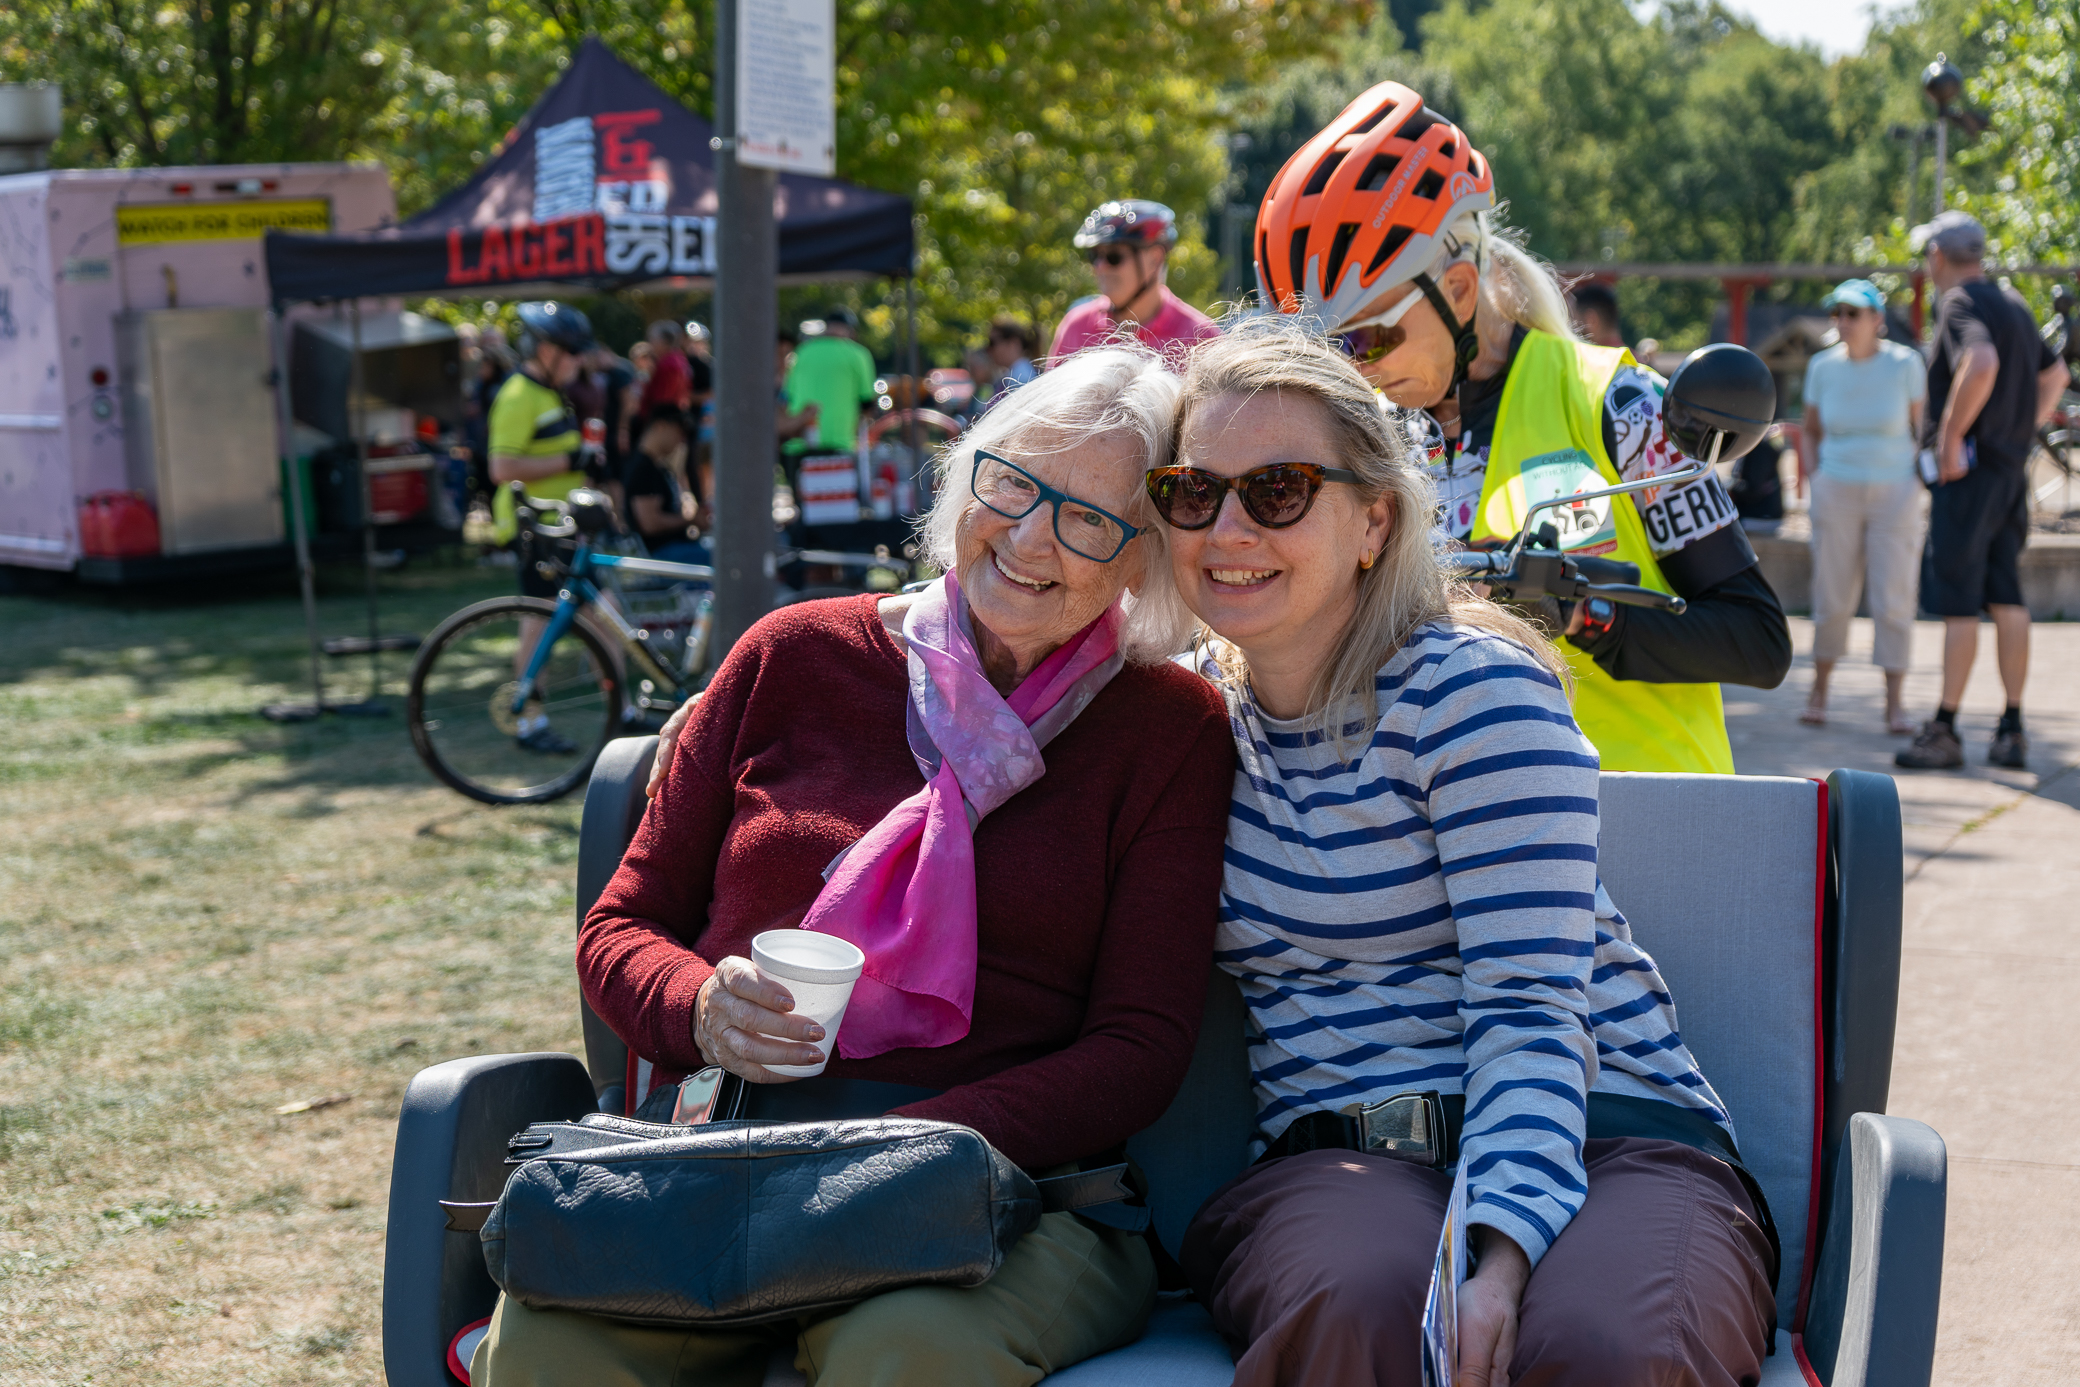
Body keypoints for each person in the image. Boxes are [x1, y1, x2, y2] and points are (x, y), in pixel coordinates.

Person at [470, 344, 1236, 1387]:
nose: (1027, 537)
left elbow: (1138, 1046)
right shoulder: (791, 655)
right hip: (727, 1163)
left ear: (1141, 558)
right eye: (1013, 484)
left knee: (902, 1353)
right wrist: (702, 1007)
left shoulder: (1168, 728)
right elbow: (620, 927)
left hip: (1005, 1189)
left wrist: (895, 1149)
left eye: (1088, 519)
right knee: (548, 1346)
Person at [1147, 321, 1775, 1387]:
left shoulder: (1473, 690)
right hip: (1340, 1157)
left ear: (1374, 520)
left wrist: (1501, 1248)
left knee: (1608, 1350)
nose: (1227, 526)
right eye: (1191, 491)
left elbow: (1530, 1002)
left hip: (1607, 1128)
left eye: (1279, 490)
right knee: (1359, 1312)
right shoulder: (1181, 723)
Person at [1253, 81, 1790, 774]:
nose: (1358, 370)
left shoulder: (1619, 404)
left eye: (1372, 338)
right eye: (1334, 350)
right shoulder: (1376, 439)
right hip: (1453, 811)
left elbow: (1758, 641)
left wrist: (1584, 616)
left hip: (1639, 809)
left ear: (1457, 290)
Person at [1895, 211, 2070, 771]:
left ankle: (1945, 727)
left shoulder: (1958, 303)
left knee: (1960, 604)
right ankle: (2011, 728)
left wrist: (1950, 438)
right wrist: (2020, 429)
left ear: (1937, 256)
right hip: (2008, 473)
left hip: (1968, 479)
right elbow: (2056, 375)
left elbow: (1982, 360)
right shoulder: (2014, 303)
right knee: (2007, 597)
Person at [1799, 279, 1927, 733]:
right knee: (1832, 595)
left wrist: (1916, 481)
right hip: (1837, 487)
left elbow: (1922, 427)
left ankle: (1895, 702)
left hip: (1895, 491)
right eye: (1838, 313)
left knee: (1894, 597)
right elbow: (1809, 430)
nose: (1844, 321)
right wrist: (1816, 478)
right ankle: (1819, 690)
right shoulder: (1822, 367)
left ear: (1878, 319)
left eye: (1853, 313)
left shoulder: (1906, 364)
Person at [487, 300, 595, 755]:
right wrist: (569, 460)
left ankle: (625, 709)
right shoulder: (518, 395)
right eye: (572, 352)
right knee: (539, 623)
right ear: (546, 350)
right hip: (534, 527)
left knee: (602, 613)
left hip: (561, 525)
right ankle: (529, 722)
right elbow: (501, 467)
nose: (579, 361)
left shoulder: (551, 392)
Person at [1048, 201, 1219, 369]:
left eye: (1114, 256)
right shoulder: (1076, 327)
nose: (1100, 266)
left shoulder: (1202, 339)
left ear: (1154, 259)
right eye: (1094, 256)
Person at [784, 308, 878, 457]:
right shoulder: (858, 354)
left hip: (800, 442)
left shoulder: (802, 352)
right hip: (840, 443)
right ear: (851, 331)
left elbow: (788, 396)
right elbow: (866, 402)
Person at [621, 406, 707, 565]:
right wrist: (690, 520)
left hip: (678, 548)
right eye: (679, 431)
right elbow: (650, 523)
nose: (681, 440)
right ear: (660, 426)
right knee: (722, 559)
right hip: (662, 555)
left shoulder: (659, 467)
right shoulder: (642, 467)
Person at [637, 319, 693, 419]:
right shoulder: (679, 358)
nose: (650, 344)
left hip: (664, 419)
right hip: (670, 416)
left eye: (652, 340)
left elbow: (663, 399)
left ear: (664, 342)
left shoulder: (668, 364)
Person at [1568, 281, 1624, 348]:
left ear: (1591, 320)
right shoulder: (1628, 353)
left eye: (1572, 321)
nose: (1569, 328)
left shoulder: (1586, 354)